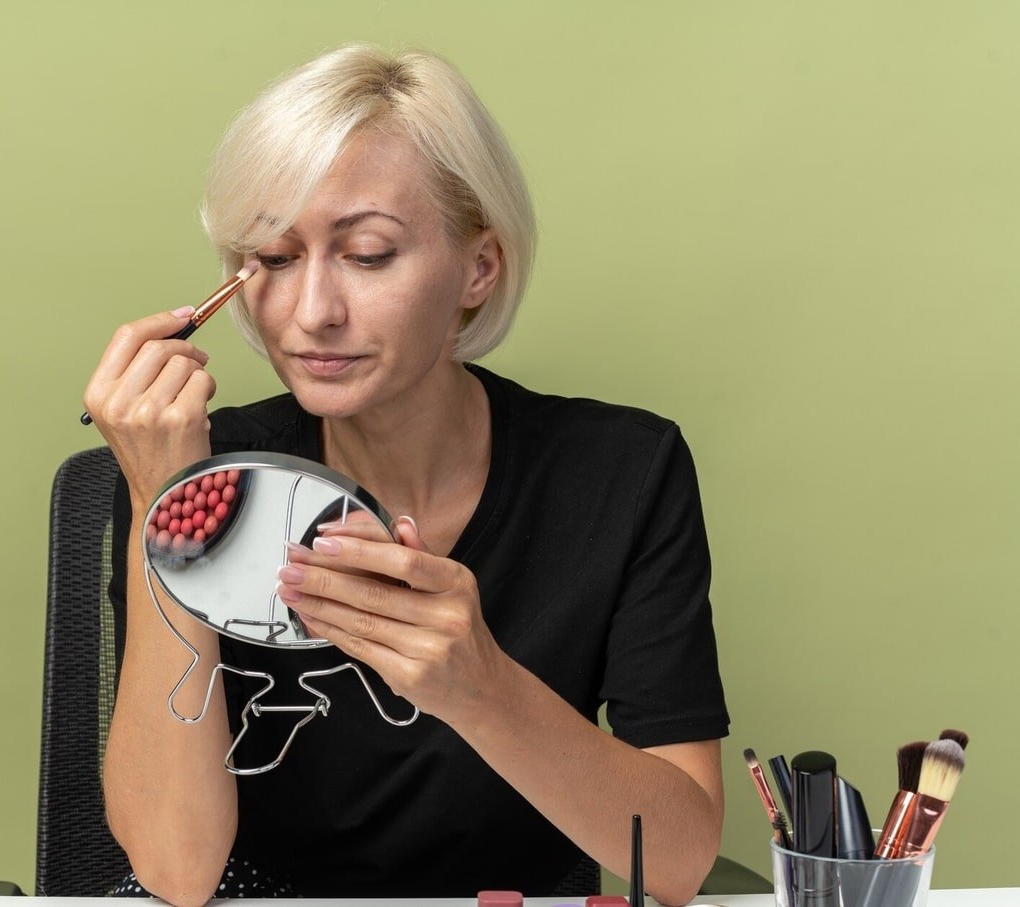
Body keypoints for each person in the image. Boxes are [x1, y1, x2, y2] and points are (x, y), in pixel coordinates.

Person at [84, 44, 729, 907]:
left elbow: (681, 862)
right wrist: (169, 510)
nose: (313, 312)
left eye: (370, 254)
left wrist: (481, 685)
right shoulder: (203, 470)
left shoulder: (623, 474)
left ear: (479, 267)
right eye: (274, 259)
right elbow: (176, 869)